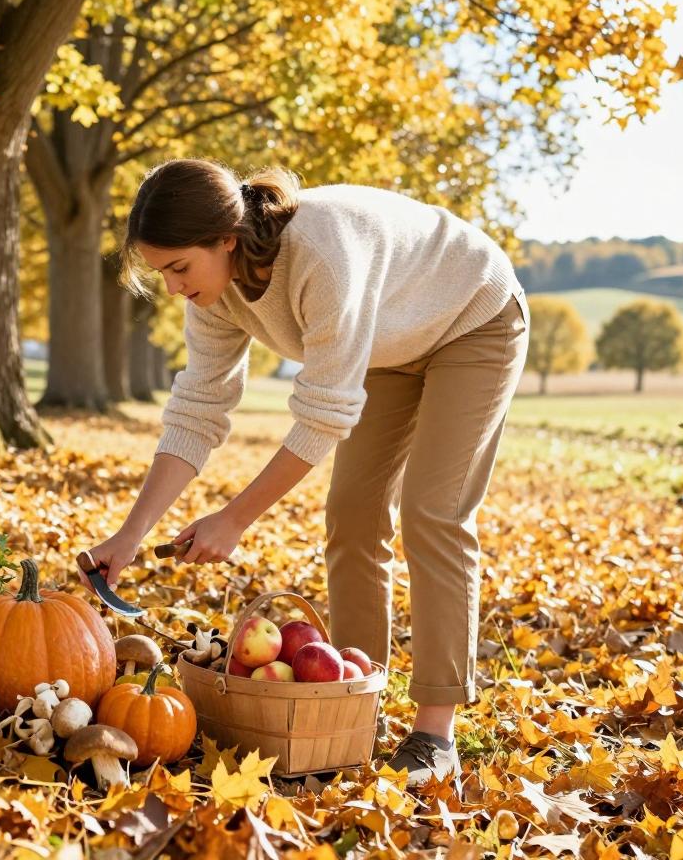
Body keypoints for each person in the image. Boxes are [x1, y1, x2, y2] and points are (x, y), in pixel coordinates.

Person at [80, 158, 529, 785]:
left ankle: (434, 730)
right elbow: (199, 409)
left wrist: (234, 518)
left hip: (471, 318)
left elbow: (322, 414)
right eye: (163, 274)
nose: (175, 287)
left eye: (180, 268)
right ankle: (352, 701)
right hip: (389, 346)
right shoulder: (211, 295)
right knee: (352, 513)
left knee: (433, 509)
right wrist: (129, 535)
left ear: (227, 239)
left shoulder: (320, 252)